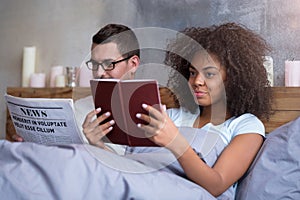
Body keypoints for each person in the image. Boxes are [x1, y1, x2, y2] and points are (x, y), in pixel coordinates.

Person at [131, 22, 272, 197]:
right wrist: (98, 143)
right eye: (192, 73)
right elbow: (136, 165)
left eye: (209, 74)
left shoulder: (245, 125)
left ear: (234, 79)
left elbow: (216, 185)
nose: (197, 81)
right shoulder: (173, 117)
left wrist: (175, 140)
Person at [11, 23, 141, 154]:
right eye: (95, 64)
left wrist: (99, 146)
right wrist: (30, 144)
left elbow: (136, 169)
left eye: (108, 63)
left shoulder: (150, 116)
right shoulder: (78, 107)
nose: (99, 72)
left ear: (133, 64)